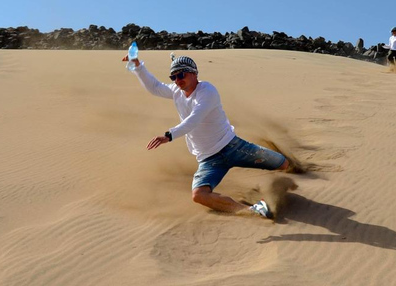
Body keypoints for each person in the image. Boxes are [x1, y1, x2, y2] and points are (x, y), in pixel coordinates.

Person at [123, 53, 289, 219]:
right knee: (198, 195)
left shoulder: (207, 91)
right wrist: (137, 65)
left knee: (284, 164)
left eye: (181, 75)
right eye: (173, 77)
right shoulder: (176, 91)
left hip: (233, 147)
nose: (177, 80)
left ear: (194, 73)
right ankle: (252, 210)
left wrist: (169, 135)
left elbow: (194, 119)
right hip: (209, 159)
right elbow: (154, 87)